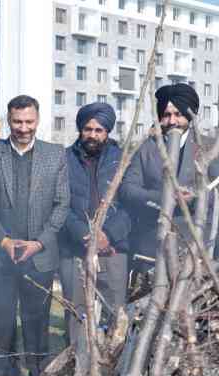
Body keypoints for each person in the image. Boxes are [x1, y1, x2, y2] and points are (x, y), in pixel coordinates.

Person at [0, 95, 69, 376]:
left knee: (37, 324)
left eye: (29, 122)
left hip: (39, 256)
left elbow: (62, 204)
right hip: (0, 257)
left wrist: (38, 243)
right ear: (8, 120)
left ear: (37, 120)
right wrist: (2, 240)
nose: (23, 128)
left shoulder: (55, 155)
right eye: (17, 122)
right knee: (0, 323)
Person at [120, 83, 219, 264]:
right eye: (166, 115)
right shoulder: (146, 148)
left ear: (190, 115)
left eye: (178, 114)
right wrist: (164, 197)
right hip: (153, 240)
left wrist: (196, 198)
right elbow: (128, 189)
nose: (172, 121)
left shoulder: (207, 147)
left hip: (197, 240)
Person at [59, 103, 130, 339]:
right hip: (74, 248)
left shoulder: (122, 160)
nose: (93, 135)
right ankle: (78, 368)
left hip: (113, 249)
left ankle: (112, 371)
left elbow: (131, 206)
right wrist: (83, 234)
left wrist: (107, 234)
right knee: (76, 313)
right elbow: (58, 204)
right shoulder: (64, 159)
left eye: (99, 130)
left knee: (115, 312)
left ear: (107, 131)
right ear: (80, 129)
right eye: (88, 129)